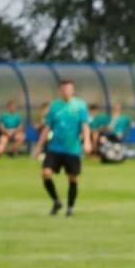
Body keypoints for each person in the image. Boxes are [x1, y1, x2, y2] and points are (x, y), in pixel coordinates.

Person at [36, 79, 93, 216]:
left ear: (73, 90)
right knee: (46, 173)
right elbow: (47, 127)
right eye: (64, 89)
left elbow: (85, 125)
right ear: (60, 91)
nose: (66, 91)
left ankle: (70, 208)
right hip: (55, 148)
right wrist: (39, 146)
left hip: (72, 149)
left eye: (68, 89)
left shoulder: (80, 105)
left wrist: (87, 142)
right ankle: (56, 201)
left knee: (72, 178)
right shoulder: (54, 106)